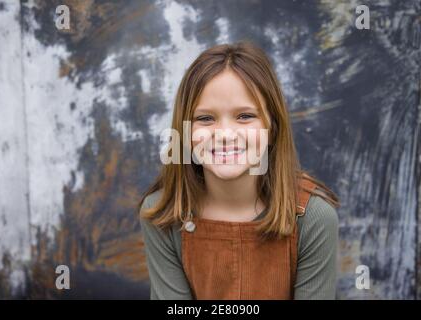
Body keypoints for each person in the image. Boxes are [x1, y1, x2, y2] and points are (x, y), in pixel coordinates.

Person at [138, 41, 340, 300]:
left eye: (244, 116)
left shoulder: (313, 218)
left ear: (272, 127)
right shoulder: (162, 215)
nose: (225, 135)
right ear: (185, 132)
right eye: (205, 118)